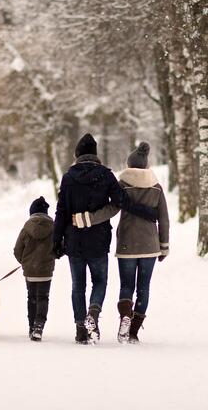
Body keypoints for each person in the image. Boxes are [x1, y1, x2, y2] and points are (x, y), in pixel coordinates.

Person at [53, 133, 158, 345]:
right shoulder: (106, 175)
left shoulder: (68, 177)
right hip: (98, 240)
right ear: (95, 154)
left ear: (78, 155)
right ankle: (93, 311)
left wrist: (56, 240)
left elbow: (61, 211)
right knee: (99, 281)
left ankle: (81, 330)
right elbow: (121, 201)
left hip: (74, 240)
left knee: (77, 286)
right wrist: (146, 212)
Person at [14, 196, 55, 342]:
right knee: (43, 297)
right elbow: (60, 247)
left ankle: (31, 327)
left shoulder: (26, 228)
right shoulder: (53, 227)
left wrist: (24, 262)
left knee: (31, 297)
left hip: (30, 271)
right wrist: (53, 256)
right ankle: (39, 326)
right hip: (46, 270)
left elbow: (17, 249)